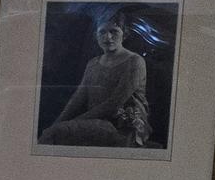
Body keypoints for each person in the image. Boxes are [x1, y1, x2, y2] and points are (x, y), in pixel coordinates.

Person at [38, 11, 150, 148]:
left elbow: (114, 104)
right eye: (102, 32)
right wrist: (57, 123)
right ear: (96, 35)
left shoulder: (135, 61)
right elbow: (78, 98)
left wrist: (71, 123)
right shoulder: (93, 63)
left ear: (124, 34)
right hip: (95, 121)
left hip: (124, 126)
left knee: (57, 132)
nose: (108, 37)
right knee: (53, 131)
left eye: (113, 31)